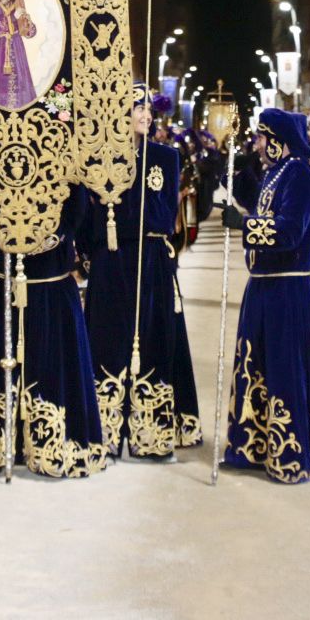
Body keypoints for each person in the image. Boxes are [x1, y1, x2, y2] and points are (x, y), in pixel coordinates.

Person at [0, 185, 108, 479]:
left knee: (49, 362)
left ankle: (51, 445)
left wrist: (44, 239)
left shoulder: (65, 149)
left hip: (50, 278)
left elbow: (77, 208)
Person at [81, 83, 201, 460]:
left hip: (150, 261)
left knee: (152, 338)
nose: (145, 114)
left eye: (148, 107)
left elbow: (166, 217)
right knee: (107, 337)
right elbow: (89, 218)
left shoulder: (166, 158)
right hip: (110, 260)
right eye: (136, 108)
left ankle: (152, 432)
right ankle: (106, 428)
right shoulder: (99, 157)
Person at [221, 108, 310, 484]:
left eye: (261, 137)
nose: (256, 144)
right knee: (258, 368)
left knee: (285, 367)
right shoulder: (275, 172)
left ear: (278, 139)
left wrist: (245, 225)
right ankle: (253, 444)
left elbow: (289, 232)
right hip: (263, 287)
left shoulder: (301, 173)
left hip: (287, 289)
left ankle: (290, 452)